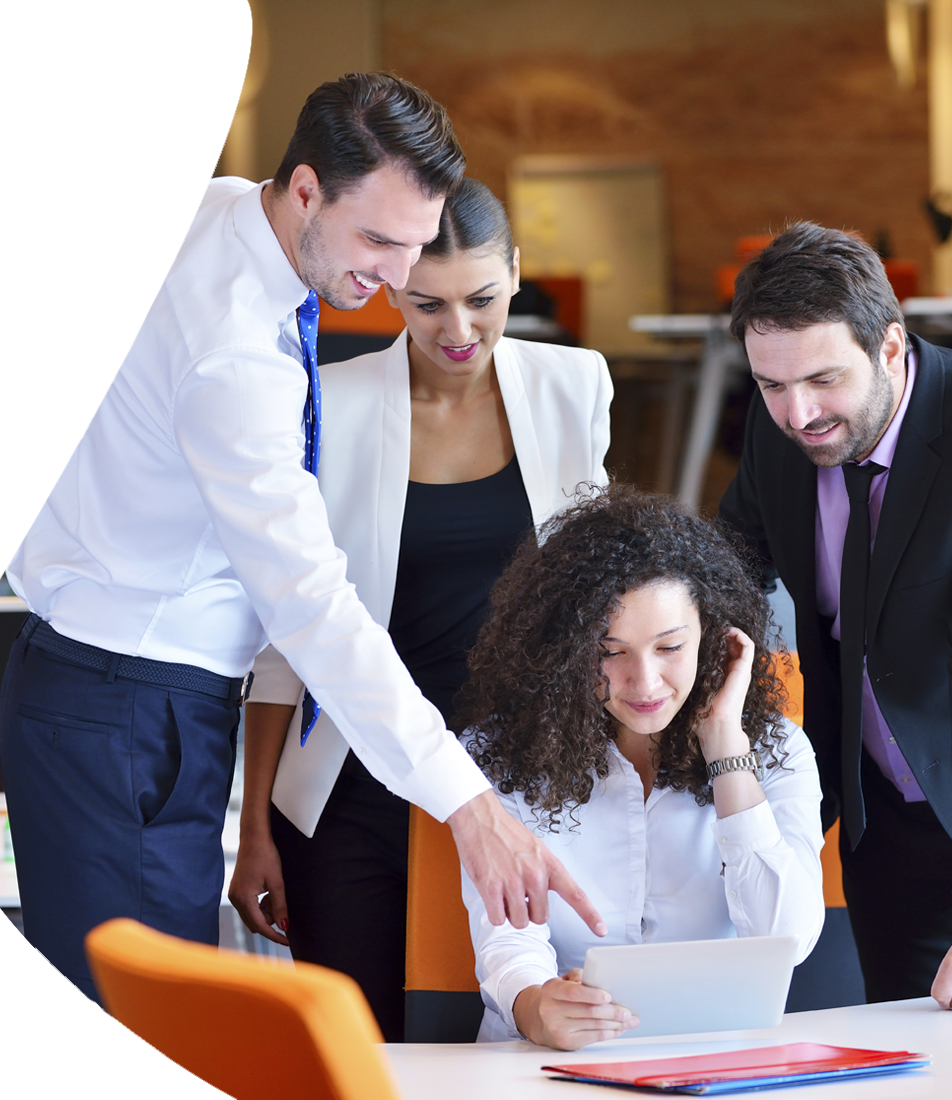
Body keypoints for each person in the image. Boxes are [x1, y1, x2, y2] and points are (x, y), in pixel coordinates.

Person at [0, 74, 602, 1100]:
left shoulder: (207, 207)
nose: (395, 275)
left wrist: (115, 498)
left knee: (135, 1033)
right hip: (133, 702)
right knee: (135, 1058)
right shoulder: (238, 360)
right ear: (309, 189)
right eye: (379, 242)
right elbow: (312, 607)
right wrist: (468, 805)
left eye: (414, 244)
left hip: (99, 683)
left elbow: (49, 339)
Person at [229, 178, 613, 1040]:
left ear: (516, 273)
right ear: (392, 287)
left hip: (521, 782)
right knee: (359, 1052)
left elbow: (594, 594)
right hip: (355, 786)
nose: (459, 330)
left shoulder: (574, 384)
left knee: (510, 1044)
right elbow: (286, 641)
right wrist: (254, 827)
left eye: (483, 299)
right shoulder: (329, 400)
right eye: (429, 304)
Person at [456, 486, 825, 1049]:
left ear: (714, 637)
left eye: (670, 647)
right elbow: (508, 942)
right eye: (609, 652)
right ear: (564, 649)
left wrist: (726, 748)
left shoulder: (778, 750)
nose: (645, 683)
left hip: (715, 1056)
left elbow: (787, 939)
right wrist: (534, 1006)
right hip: (544, 1059)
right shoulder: (499, 752)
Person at [718, 221, 952, 1011]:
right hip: (878, 812)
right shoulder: (780, 427)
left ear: (890, 346)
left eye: (823, 379)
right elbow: (726, 571)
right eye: (771, 385)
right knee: (909, 1039)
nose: (798, 414)